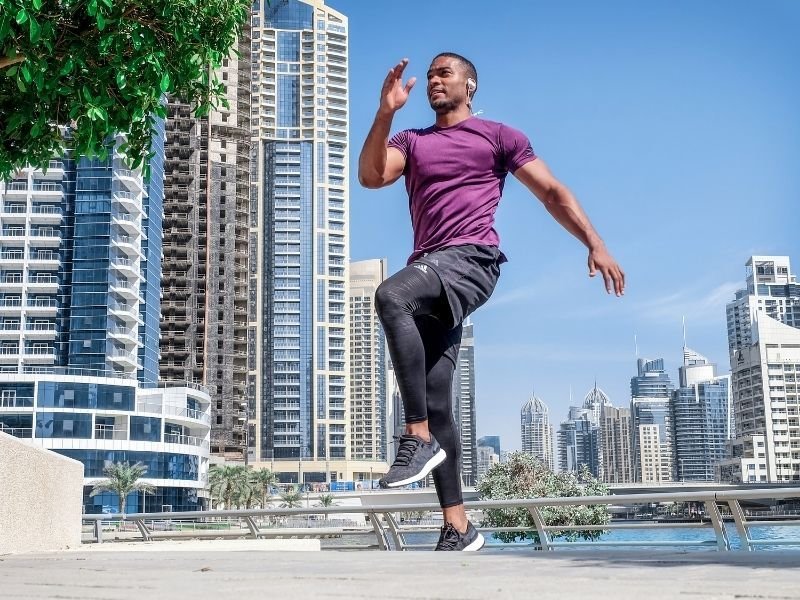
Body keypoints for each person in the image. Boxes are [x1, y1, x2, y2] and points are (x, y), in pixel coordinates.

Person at [357, 52, 625, 551]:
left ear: (470, 85)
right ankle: (459, 527)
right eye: (431, 74)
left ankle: (415, 436)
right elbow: (371, 177)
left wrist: (595, 241)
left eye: (446, 73)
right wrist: (385, 111)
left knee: (391, 294)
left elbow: (551, 192)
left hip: (472, 259)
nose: (436, 80)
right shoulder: (411, 141)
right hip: (432, 266)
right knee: (439, 400)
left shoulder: (499, 136)